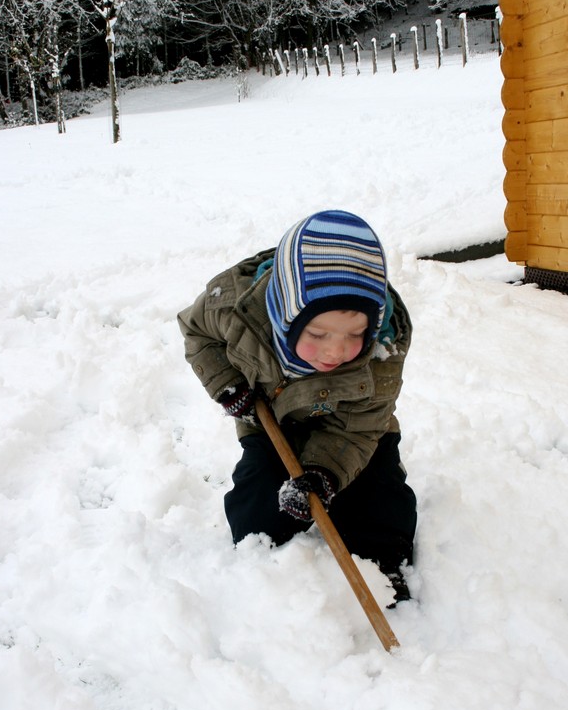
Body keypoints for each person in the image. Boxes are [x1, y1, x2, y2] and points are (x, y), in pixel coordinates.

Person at [178, 209, 417, 605]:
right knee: (257, 520)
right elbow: (197, 333)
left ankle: (387, 579)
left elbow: (358, 428)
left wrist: (325, 474)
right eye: (319, 333)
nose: (335, 350)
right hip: (272, 421)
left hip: (350, 432)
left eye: (355, 334)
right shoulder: (235, 308)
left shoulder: (381, 350)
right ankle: (261, 587)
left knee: (378, 513)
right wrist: (226, 384)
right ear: (286, 314)